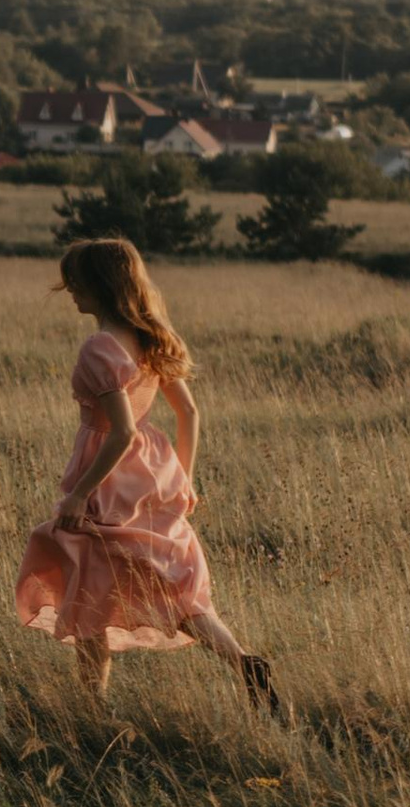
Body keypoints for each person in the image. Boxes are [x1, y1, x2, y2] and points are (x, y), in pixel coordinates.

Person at [16, 236, 280, 712]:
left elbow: (118, 432)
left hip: (111, 477)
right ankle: (242, 661)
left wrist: (79, 493)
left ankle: (92, 702)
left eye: (75, 283)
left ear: (98, 285)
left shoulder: (99, 347)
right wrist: (184, 477)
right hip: (154, 472)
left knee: (89, 587)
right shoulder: (149, 336)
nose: (70, 292)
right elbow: (190, 413)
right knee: (172, 583)